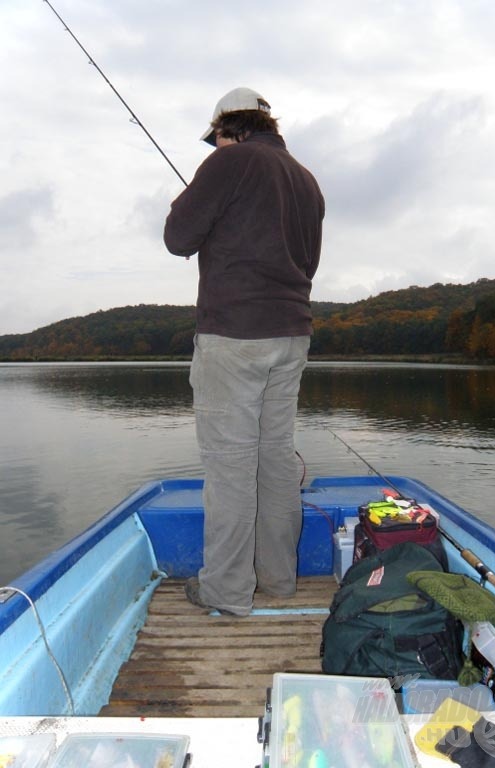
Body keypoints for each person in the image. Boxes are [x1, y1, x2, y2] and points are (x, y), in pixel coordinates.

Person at [163, 87, 325, 616]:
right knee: (275, 460)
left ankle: (227, 592)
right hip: (291, 334)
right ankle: (278, 579)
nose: (215, 148)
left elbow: (177, 237)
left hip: (233, 336)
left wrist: (192, 194)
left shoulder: (228, 163)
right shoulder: (306, 180)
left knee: (230, 468)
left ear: (228, 129)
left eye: (215, 140)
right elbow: (309, 263)